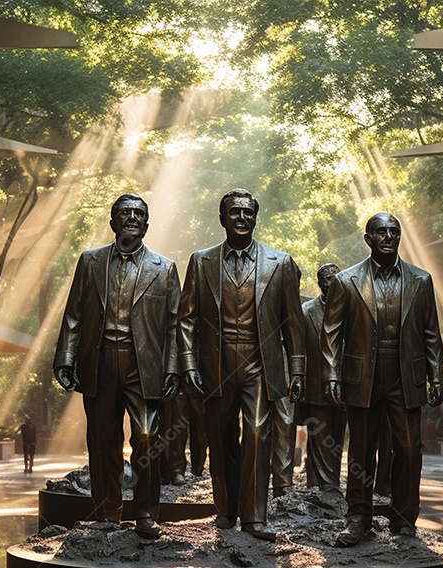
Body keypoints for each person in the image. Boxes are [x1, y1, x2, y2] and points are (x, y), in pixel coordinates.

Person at [178, 188, 306, 541]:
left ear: (255, 217)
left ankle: (254, 517)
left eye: (248, 212)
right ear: (221, 218)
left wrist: (297, 369)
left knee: (256, 434)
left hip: (259, 362)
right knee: (220, 439)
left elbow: (293, 321)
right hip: (215, 365)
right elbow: (186, 318)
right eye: (234, 212)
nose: (242, 217)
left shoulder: (279, 263)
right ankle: (226, 509)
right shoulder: (202, 262)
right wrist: (188, 364)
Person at [52, 194, 180, 538]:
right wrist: (66, 357)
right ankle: (107, 512)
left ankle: (145, 513)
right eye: (125, 213)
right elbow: (75, 313)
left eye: (139, 213)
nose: (132, 218)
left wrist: (173, 369)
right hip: (100, 360)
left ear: (147, 224)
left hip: (145, 366)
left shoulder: (164, 268)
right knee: (102, 439)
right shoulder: (90, 262)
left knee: (146, 436)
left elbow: (174, 325)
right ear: (113, 223)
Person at [322, 212, 443, 547]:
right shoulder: (346, 281)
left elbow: (431, 332)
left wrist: (436, 374)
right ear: (368, 238)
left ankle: (404, 519)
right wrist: (331, 374)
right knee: (362, 450)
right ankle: (358, 519)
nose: (389, 237)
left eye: (394, 232)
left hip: (405, 376)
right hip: (362, 377)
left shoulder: (421, 280)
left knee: (409, 449)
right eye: (381, 232)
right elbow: (331, 333)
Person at [298, 263, 346, 492]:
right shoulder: (306, 311)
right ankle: (316, 485)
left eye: (336, 278)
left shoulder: (351, 308)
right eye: (327, 279)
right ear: (320, 283)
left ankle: (332, 484)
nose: (332, 282)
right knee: (319, 437)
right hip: (316, 384)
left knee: (337, 438)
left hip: (346, 385)